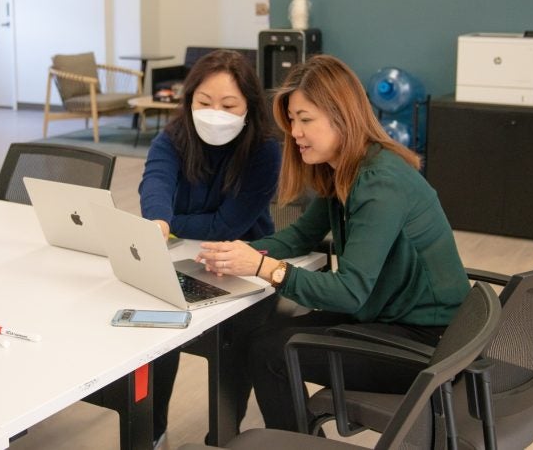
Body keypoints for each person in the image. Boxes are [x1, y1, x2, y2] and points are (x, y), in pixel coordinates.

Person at [198, 54, 470, 432]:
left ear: (342, 117)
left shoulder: (379, 183)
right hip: (391, 314)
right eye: (292, 120)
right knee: (262, 338)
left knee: (269, 352)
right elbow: (302, 235)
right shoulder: (347, 167)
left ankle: (297, 444)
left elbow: (349, 293)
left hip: (428, 345)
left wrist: (262, 268)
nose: (295, 133)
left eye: (306, 120)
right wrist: (241, 254)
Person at [138, 49, 281, 445]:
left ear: (248, 108)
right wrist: (157, 219)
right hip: (181, 256)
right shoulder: (173, 137)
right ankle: (154, 432)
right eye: (204, 102)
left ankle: (223, 435)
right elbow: (155, 183)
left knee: (237, 337)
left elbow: (227, 226)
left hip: (244, 264)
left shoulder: (265, 150)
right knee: (155, 321)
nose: (214, 112)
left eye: (228, 104)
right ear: (189, 101)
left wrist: (169, 222)